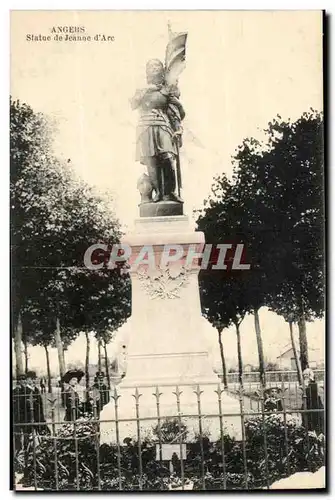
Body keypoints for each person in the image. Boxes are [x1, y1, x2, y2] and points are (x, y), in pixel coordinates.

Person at [131, 58, 185, 203]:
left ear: (162, 70)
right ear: (146, 71)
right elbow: (133, 104)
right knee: (151, 161)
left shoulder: (167, 90)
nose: (154, 68)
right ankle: (159, 193)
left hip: (163, 125)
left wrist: (179, 129)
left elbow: (176, 111)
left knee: (167, 157)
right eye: (150, 66)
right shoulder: (142, 90)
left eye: (157, 65)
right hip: (145, 127)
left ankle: (170, 192)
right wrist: (147, 90)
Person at [301, 367, 324, 434]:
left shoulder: (313, 384)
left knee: (315, 422)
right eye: (304, 375)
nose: (305, 376)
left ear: (310, 375)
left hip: (314, 405)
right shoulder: (304, 384)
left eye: (307, 374)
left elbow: (312, 395)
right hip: (307, 404)